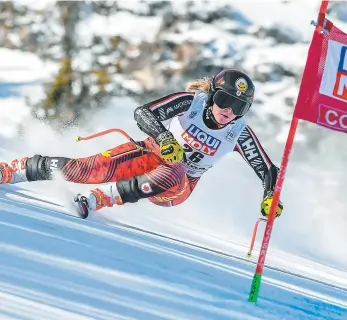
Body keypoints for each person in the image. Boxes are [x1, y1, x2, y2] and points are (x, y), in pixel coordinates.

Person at [0, 69, 283, 219]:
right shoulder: (191, 103)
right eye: (225, 100)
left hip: (177, 186)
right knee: (82, 171)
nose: (229, 111)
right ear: (212, 96)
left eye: (239, 107)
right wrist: (163, 137)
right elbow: (144, 113)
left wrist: (270, 196)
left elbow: (268, 169)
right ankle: (15, 170)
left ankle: (99, 199)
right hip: (149, 152)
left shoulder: (239, 132)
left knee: (175, 169)